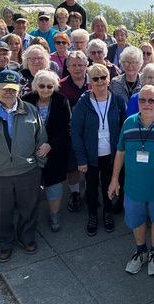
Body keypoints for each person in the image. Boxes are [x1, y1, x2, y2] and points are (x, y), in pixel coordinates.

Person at [0, 70, 48, 263]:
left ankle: (27, 237)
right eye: (4, 89)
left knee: (28, 208)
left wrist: (38, 164)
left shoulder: (30, 110)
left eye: (13, 90)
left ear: (19, 90)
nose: (8, 93)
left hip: (27, 171)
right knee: (0, 212)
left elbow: (42, 139)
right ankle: (5, 243)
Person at [107, 85, 154, 276]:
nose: (147, 104)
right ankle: (141, 251)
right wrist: (114, 179)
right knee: (136, 220)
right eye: (143, 100)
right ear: (137, 102)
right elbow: (120, 151)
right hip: (134, 187)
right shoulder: (129, 123)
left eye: (152, 100)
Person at [72, 63, 126, 235]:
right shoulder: (83, 102)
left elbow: (124, 127)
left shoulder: (117, 100)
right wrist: (81, 159)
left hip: (111, 154)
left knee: (109, 186)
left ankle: (108, 213)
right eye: (96, 78)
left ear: (108, 79)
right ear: (90, 82)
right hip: (91, 155)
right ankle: (93, 215)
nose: (100, 81)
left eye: (103, 77)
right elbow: (75, 132)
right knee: (92, 188)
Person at [22, 70, 71, 233]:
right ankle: (30, 217)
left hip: (54, 151)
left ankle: (54, 214)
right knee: (30, 186)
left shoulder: (61, 101)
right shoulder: (25, 100)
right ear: (35, 85)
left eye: (50, 86)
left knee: (54, 185)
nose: (45, 89)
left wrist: (51, 145)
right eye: (41, 86)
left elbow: (67, 128)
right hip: (30, 151)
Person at [58, 50, 90, 213]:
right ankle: (75, 193)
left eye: (81, 65)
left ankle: (90, 192)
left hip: (92, 132)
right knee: (73, 166)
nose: (78, 68)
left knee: (92, 164)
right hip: (71, 133)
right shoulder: (60, 85)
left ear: (86, 65)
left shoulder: (95, 81)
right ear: (68, 67)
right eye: (74, 65)